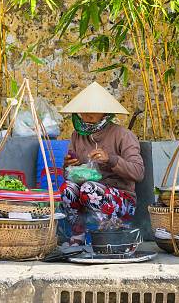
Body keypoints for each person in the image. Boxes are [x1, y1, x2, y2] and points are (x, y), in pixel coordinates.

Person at [59, 82, 145, 245]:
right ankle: (78, 234)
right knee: (67, 189)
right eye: (84, 113)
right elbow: (69, 176)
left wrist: (110, 159)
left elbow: (138, 172)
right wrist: (69, 165)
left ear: (105, 114)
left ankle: (110, 233)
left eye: (92, 115)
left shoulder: (123, 135)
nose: (86, 118)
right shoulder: (77, 136)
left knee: (88, 188)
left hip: (122, 200)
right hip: (87, 196)